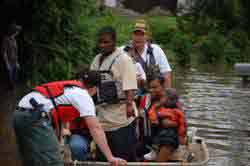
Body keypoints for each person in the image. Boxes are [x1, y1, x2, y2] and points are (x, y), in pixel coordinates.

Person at [13, 70, 127, 166]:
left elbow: (57, 123)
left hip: (20, 114)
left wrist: (61, 150)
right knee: (53, 163)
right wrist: (110, 157)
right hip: (35, 116)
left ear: (80, 80)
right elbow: (96, 128)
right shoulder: (82, 95)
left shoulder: (68, 89)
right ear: (95, 88)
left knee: (34, 161)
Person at [90, 26, 138, 161]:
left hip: (120, 118)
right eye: (100, 42)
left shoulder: (124, 59)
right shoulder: (97, 59)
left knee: (123, 157)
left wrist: (129, 105)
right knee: (104, 158)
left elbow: (130, 85)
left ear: (114, 42)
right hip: (102, 117)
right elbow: (92, 85)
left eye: (106, 42)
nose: (102, 45)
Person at [123, 19, 172, 88]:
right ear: (131, 35)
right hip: (133, 91)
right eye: (136, 34)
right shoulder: (122, 51)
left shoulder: (156, 50)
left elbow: (166, 74)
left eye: (142, 34)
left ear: (147, 36)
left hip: (153, 91)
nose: (138, 37)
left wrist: (167, 94)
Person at [143, 88, 186, 161]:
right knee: (157, 140)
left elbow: (182, 123)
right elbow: (152, 116)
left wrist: (180, 135)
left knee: (166, 142)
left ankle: (157, 154)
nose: (151, 90)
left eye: (163, 97)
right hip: (159, 135)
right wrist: (155, 120)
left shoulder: (176, 110)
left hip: (169, 138)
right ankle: (154, 151)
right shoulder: (157, 106)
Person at [1, 23, 21, 89]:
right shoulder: (6, 39)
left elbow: (16, 51)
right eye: (17, 31)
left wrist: (17, 62)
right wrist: (7, 64)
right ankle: (9, 91)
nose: (18, 33)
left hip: (14, 61)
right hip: (9, 62)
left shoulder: (14, 40)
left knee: (15, 77)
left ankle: (13, 90)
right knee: (10, 79)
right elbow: (4, 52)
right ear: (14, 31)